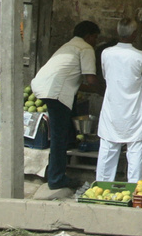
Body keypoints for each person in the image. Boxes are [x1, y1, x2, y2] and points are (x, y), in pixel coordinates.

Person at [31, 20, 101, 200]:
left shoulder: (69, 46)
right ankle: (56, 179)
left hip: (45, 87)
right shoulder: (85, 48)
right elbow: (90, 79)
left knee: (66, 130)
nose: (94, 41)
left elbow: (76, 80)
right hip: (56, 93)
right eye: (95, 37)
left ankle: (65, 161)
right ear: (89, 36)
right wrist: (106, 91)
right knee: (58, 137)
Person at [95, 20, 142, 183]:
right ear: (134, 34)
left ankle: (102, 188)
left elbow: (106, 77)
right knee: (135, 154)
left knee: (107, 152)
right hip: (135, 112)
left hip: (112, 111)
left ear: (118, 32)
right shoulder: (141, 56)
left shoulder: (106, 53)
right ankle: (134, 190)